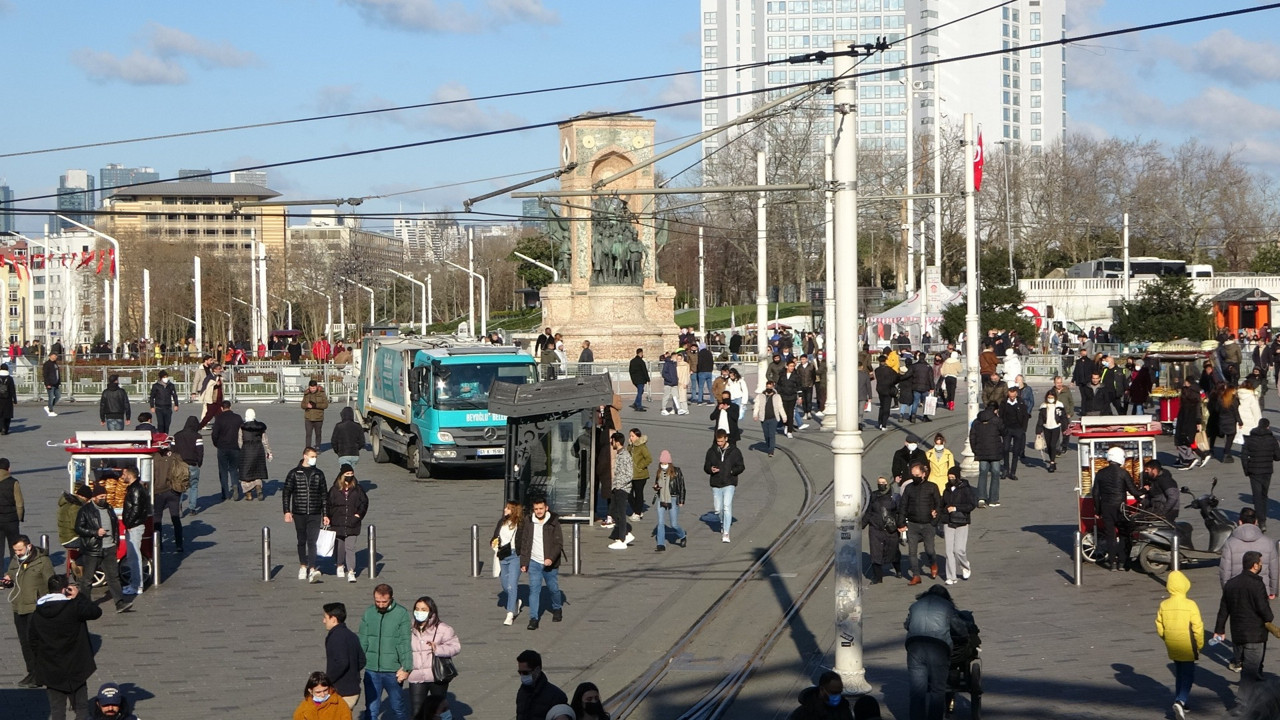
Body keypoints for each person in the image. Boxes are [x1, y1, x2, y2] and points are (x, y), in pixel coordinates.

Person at [29, 574, 102, 720]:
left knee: (57, 711)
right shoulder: (74, 608)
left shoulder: (38, 613)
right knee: (81, 708)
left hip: (51, 668)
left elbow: (32, 641)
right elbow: (96, 612)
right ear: (64, 590)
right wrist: (79, 596)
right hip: (76, 667)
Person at [1214, 550, 1274, 693]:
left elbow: (1223, 609)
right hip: (1255, 635)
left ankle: (1255, 701)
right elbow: (1264, 610)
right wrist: (1269, 617)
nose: (1261, 566)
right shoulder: (1256, 584)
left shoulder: (1231, 584)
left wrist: (1219, 630)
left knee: (1247, 669)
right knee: (1251, 672)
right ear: (1254, 566)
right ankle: (1243, 704)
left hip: (1237, 635)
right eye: (1260, 563)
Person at [903, 584, 966, 720]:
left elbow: (907, 624)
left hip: (915, 646)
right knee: (937, 690)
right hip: (938, 647)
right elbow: (959, 629)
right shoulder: (947, 606)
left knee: (917, 691)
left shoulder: (916, 605)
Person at [4, 534, 55, 688]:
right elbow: (12, 574)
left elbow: (51, 581)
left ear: (29, 546)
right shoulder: (16, 560)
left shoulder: (42, 561)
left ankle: (41, 675)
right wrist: (8, 578)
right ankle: (32, 672)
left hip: (36, 607)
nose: (17, 553)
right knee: (24, 643)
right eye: (15, 550)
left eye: (20, 549)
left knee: (35, 642)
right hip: (18, 606)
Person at [74, 483, 132, 612]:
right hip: (93, 549)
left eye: (105, 496)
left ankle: (120, 602)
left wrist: (115, 541)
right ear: (94, 497)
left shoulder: (109, 508)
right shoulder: (85, 510)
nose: (103, 499)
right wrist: (95, 532)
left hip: (109, 547)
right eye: (101, 496)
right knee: (87, 579)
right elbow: (78, 528)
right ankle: (85, 604)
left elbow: (115, 525)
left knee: (113, 577)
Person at [358, 583, 413, 720]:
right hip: (372, 669)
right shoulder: (369, 613)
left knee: (397, 708)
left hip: (392, 670)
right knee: (371, 709)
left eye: (384, 601)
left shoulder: (401, 614)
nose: (381, 605)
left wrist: (407, 667)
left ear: (391, 598)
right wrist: (356, 664)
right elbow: (362, 640)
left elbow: (405, 641)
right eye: (377, 601)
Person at [1156, 570, 1204, 720]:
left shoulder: (1164, 604)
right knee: (1188, 675)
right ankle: (1181, 700)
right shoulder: (1190, 605)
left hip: (1172, 644)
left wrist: (1166, 638)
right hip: (1187, 644)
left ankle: (1182, 701)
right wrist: (1199, 645)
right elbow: (1198, 627)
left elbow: (1159, 626)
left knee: (1179, 673)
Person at [407, 596, 461, 715]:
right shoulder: (409, 627)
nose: (419, 612)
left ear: (431, 611)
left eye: (423, 609)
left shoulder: (444, 629)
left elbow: (456, 647)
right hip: (416, 676)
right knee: (416, 712)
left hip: (437, 675)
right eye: (417, 609)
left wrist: (438, 648)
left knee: (439, 711)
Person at [517, 496, 565, 630]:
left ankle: (557, 608)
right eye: (536, 509)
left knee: (553, 588)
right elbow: (525, 542)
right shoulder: (529, 521)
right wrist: (524, 562)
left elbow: (558, 543)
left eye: (541, 508)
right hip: (534, 562)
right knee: (534, 590)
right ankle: (533, 618)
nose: (538, 511)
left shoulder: (553, 522)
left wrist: (550, 558)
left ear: (546, 508)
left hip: (549, 563)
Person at [283, 447, 329, 583]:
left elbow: (324, 495)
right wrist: (287, 511)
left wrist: (325, 514)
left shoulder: (319, 474)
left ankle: (312, 568)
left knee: (312, 541)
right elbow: (286, 493)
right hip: (299, 512)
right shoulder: (294, 473)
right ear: (305, 456)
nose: (314, 459)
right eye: (312, 456)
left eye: (315, 456)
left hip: (315, 512)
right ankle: (303, 565)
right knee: (301, 540)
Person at [1093, 447, 1141, 571]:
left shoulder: (1100, 473)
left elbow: (1095, 494)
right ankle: (1122, 562)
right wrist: (1145, 490)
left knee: (1111, 535)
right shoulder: (1123, 473)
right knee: (1124, 534)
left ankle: (1112, 562)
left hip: (1106, 507)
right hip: (1121, 507)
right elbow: (1133, 491)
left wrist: (1098, 511)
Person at [1220, 507, 1279, 598]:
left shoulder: (1230, 543)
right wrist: (1272, 590)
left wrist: (1226, 591)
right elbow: (1274, 570)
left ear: (1240, 522)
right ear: (1256, 522)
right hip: (1262, 590)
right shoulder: (1268, 542)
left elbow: (1225, 571)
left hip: (1238, 592)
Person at [897, 462, 940, 585]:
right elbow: (903, 506)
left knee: (930, 550)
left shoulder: (932, 487)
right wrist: (901, 523)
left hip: (928, 524)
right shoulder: (909, 488)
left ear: (924, 474)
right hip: (913, 524)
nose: (915, 477)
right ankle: (916, 575)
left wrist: (935, 520)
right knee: (912, 552)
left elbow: (938, 505)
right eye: (913, 475)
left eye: (917, 475)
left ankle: (933, 563)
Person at [327, 464, 368, 583]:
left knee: (350, 547)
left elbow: (364, 503)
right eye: (347, 474)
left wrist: (358, 515)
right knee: (339, 547)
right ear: (342, 475)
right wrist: (327, 516)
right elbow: (328, 504)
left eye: (351, 474)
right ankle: (339, 565)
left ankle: (351, 571)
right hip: (337, 522)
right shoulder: (334, 489)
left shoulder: (358, 489)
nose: (350, 476)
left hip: (352, 522)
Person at [704, 429, 746, 543]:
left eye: (721, 441)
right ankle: (722, 523)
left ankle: (726, 533)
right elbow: (706, 467)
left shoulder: (735, 451)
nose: (720, 444)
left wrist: (732, 471)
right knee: (719, 509)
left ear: (726, 438)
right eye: (718, 441)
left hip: (729, 483)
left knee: (727, 506)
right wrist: (710, 469)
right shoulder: (711, 451)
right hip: (716, 483)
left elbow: (741, 466)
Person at [323, 602, 365, 710]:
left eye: (325, 617)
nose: (324, 621)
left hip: (341, 691)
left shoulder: (336, 637)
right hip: (353, 690)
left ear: (333, 619)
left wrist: (327, 680)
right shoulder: (351, 635)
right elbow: (362, 660)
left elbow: (342, 662)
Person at [1242, 418, 1280, 531]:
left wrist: (1246, 470)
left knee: (1257, 495)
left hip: (1254, 471)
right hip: (1267, 471)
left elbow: (1244, 456)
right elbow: (1278, 457)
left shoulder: (1250, 439)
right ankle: (1262, 516)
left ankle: (1261, 520)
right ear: (1268, 427)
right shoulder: (1272, 439)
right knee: (1264, 494)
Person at [861, 477, 900, 584]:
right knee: (875, 553)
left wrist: (900, 524)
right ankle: (878, 577)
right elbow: (869, 512)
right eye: (879, 483)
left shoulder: (895, 496)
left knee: (893, 550)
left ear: (888, 483)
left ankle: (898, 569)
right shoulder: (874, 495)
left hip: (890, 529)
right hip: (875, 528)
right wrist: (862, 525)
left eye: (883, 483)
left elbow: (899, 512)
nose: (881, 485)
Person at [119, 466, 150, 597]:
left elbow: (136, 509)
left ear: (129, 474)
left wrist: (129, 523)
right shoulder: (135, 488)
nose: (122, 476)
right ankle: (134, 583)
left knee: (134, 557)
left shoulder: (136, 489)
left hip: (135, 527)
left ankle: (137, 585)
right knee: (132, 556)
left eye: (123, 473)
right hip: (134, 526)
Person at [941, 467, 975, 585]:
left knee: (959, 549)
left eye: (953, 477)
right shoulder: (946, 489)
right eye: (949, 477)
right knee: (949, 551)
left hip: (962, 521)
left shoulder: (966, 489)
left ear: (958, 477)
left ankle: (965, 565)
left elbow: (971, 505)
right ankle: (951, 576)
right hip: (948, 521)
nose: (951, 479)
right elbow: (942, 504)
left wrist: (956, 508)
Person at [491, 500, 524, 626]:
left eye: (508, 508)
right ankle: (515, 602)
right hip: (502, 555)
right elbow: (495, 536)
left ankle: (510, 613)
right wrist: (493, 542)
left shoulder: (520, 524)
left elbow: (525, 540)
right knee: (505, 585)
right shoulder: (502, 522)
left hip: (515, 555)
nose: (505, 510)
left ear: (514, 510)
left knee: (512, 584)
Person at [515, 649, 568, 720]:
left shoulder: (556, 695)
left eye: (525, 673)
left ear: (537, 670)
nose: (522, 676)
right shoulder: (522, 692)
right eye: (519, 672)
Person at [968, 405, 1004, 508]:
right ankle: (993, 499)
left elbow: (972, 437)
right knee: (995, 474)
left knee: (982, 474)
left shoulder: (976, 421)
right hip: (995, 452)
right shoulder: (997, 420)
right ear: (995, 410)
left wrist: (975, 451)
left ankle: (981, 498)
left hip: (981, 453)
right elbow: (1004, 432)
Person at [653, 449, 687, 551]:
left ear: (669, 462)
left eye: (665, 462)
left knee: (674, 524)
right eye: (661, 462)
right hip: (661, 498)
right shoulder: (659, 471)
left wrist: (681, 500)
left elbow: (681, 486)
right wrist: (656, 487)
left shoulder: (676, 471)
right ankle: (661, 544)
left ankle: (682, 535)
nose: (663, 464)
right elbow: (657, 483)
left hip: (673, 498)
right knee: (660, 522)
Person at [787, 670, 855, 720]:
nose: (837, 696)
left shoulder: (844, 709)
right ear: (822, 689)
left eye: (839, 692)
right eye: (833, 692)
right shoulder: (803, 714)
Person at [211, 400, 244, 501]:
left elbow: (214, 434)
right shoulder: (238, 418)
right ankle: (235, 485)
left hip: (222, 447)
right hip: (235, 447)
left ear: (221, 408)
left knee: (223, 470)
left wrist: (216, 443)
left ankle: (225, 493)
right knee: (234, 469)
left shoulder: (219, 418)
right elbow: (242, 431)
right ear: (230, 406)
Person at [606, 433, 634, 551]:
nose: (611, 443)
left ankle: (622, 539)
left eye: (612, 441)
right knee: (612, 512)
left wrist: (619, 485)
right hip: (617, 487)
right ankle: (626, 534)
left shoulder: (625, 455)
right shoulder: (619, 454)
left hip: (622, 489)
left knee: (621, 514)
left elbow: (629, 474)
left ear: (617, 442)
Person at [173, 415, 205, 515]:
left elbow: (172, 450)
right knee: (194, 486)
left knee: (180, 486)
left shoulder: (177, 435)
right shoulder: (197, 436)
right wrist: (199, 462)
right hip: (193, 464)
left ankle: (178, 506)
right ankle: (192, 508)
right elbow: (200, 451)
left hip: (180, 465)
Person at [238, 408, 272, 501]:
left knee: (245, 473)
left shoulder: (242, 427)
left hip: (246, 450)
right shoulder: (260, 427)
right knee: (257, 470)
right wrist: (268, 452)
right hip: (258, 450)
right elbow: (265, 440)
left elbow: (240, 441)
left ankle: (248, 494)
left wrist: (242, 450)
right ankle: (258, 486)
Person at [997, 385, 1030, 481]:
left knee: (1016, 451)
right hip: (1007, 429)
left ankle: (1013, 472)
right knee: (1005, 449)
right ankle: (1005, 470)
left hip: (1018, 429)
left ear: (1016, 394)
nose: (1012, 398)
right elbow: (1001, 416)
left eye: (1013, 396)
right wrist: (1002, 428)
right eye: (1010, 396)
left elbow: (1025, 416)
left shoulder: (1021, 402)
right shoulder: (1004, 403)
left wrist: (1023, 429)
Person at [1174, 384, 1209, 470]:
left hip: (1185, 428)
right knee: (1190, 442)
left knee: (1182, 443)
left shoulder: (1185, 405)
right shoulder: (1195, 402)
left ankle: (1189, 459)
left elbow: (1183, 418)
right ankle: (1199, 455)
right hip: (1192, 427)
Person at [1034, 390, 1067, 473]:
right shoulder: (1043, 406)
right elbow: (1040, 419)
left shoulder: (1059, 405)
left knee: (1053, 444)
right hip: (1046, 427)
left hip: (1056, 426)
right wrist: (1038, 431)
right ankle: (1052, 460)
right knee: (1048, 446)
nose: (1050, 399)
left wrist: (1064, 429)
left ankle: (1052, 463)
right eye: (1049, 397)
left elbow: (1063, 417)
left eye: (1052, 397)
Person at [0, 457, 22, 571]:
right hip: (11, 520)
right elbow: (19, 503)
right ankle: (14, 574)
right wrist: (20, 517)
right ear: (8, 468)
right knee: (14, 548)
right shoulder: (13, 482)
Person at [1141, 460, 1180, 524]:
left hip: (1166, 511)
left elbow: (1173, 497)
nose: (1145, 471)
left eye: (1147, 469)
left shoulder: (1165, 480)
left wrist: (1163, 513)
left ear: (1154, 470)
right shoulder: (1154, 479)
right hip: (1158, 508)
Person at [753, 380, 785, 457]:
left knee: (772, 434)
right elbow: (757, 406)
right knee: (766, 434)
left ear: (773, 387)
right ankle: (768, 445)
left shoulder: (777, 396)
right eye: (767, 386)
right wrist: (755, 415)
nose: (769, 388)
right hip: (763, 418)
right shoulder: (760, 396)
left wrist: (784, 416)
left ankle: (771, 450)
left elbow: (780, 407)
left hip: (773, 418)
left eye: (770, 386)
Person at [627, 428, 652, 520]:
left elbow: (649, 458)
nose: (631, 438)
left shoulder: (642, 447)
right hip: (631, 474)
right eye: (630, 436)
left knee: (638, 493)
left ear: (637, 436)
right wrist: (629, 445)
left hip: (641, 475)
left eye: (632, 436)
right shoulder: (631, 446)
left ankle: (637, 512)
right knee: (628, 493)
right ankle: (637, 510)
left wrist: (640, 466)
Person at [147, 370, 179, 434]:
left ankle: (166, 436)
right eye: (164, 377)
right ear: (161, 378)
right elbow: (152, 397)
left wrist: (176, 405)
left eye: (166, 377)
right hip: (159, 408)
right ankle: (160, 436)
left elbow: (174, 395)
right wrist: (152, 406)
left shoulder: (171, 385)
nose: (165, 378)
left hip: (168, 408)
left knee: (167, 424)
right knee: (161, 424)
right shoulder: (156, 386)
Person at [302, 379, 331, 449]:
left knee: (318, 434)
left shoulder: (321, 393)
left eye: (314, 388)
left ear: (316, 387)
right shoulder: (306, 393)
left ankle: (318, 447)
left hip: (318, 418)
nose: (312, 389)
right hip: (308, 418)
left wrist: (316, 405)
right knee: (308, 434)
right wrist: (306, 405)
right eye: (311, 388)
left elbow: (326, 405)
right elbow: (302, 405)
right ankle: (307, 448)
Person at [873, 358, 899, 431]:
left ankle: (880, 422)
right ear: (885, 361)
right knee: (887, 407)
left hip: (880, 389)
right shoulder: (890, 369)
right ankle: (884, 424)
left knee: (882, 406)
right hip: (888, 389)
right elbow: (896, 377)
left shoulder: (877, 370)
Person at [43, 352, 61, 417]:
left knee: (58, 396)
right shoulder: (47, 364)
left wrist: (59, 381)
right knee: (51, 397)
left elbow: (57, 374)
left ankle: (49, 407)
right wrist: (47, 383)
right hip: (50, 383)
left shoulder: (55, 364)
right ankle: (50, 411)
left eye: (56, 356)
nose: (55, 357)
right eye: (53, 356)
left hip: (56, 383)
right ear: (50, 356)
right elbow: (45, 375)